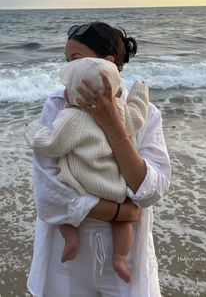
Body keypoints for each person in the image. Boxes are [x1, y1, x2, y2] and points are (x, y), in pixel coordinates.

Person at [27, 21, 171, 297]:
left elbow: (151, 190)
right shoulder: (59, 105)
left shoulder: (143, 113)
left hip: (126, 252)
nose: (67, 69)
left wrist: (113, 125)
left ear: (107, 64)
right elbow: (48, 193)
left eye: (76, 60)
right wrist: (119, 211)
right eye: (66, 61)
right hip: (66, 252)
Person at [25, 56, 149, 283]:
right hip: (113, 186)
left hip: (80, 184)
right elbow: (138, 117)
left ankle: (71, 239)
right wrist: (139, 91)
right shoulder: (120, 110)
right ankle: (119, 257)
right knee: (122, 222)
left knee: (64, 214)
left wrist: (33, 130)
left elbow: (53, 144)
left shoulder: (72, 117)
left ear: (74, 94)